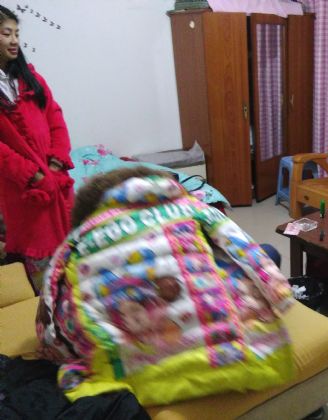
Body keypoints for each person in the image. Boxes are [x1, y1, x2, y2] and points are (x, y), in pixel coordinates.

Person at [36, 166, 296, 406]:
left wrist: (58, 351)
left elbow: (49, 323)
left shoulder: (74, 245)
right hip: (237, 362)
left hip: (139, 385)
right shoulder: (189, 207)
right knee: (265, 253)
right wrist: (281, 296)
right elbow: (251, 254)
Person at [0, 5, 74, 292]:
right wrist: (33, 175)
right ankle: (49, 308)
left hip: (55, 180)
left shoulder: (31, 79)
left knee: (71, 255)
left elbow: (56, 119)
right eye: (6, 33)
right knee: (43, 267)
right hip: (24, 190)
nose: (14, 40)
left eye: (16, 33)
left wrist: (56, 163)